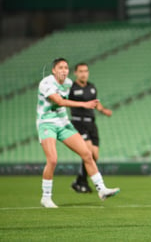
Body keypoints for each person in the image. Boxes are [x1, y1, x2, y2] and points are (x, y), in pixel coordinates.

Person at [36, 57, 120, 208]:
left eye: (66, 68)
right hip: (47, 123)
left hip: (63, 123)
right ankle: (46, 197)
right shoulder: (46, 83)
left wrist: (100, 108)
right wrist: (84, 104)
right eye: (60, 68)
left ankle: (101, 189)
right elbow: (60, 102)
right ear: (54, 70)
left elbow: (80, 97)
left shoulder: (68, 84)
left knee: (87, 154)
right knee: (53, 160)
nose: (63, 70)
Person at [69, 62, 113, 193]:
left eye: (86, 71)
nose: (84, 74)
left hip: (91, 123)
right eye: (81, 71)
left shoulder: (92, 87)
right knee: (87, 152)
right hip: (79, 123)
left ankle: (79, 181)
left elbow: (96, 103)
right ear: (75, 73)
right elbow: (63, 101)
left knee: (94, 156)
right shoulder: (71, 88)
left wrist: (103, 110)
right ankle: (83, 182)